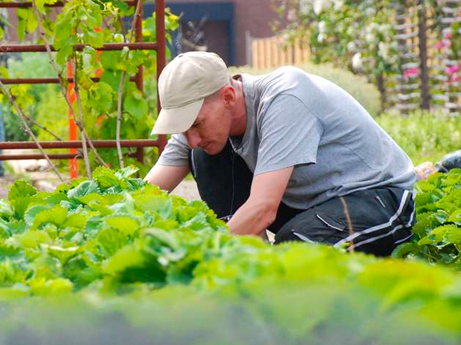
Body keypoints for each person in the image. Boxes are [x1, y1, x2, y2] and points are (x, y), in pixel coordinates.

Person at [146, 51, 416, 256]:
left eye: (196, 123)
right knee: (204, 154)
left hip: (377, 196)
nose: (191, 139)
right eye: (182, 128)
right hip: (311, 204)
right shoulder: (204, 123)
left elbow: (263, 208)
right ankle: (249, 258)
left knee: (294, 250)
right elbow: (145, 195)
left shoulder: (285, 97)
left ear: (228, 97)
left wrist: (199, 257)